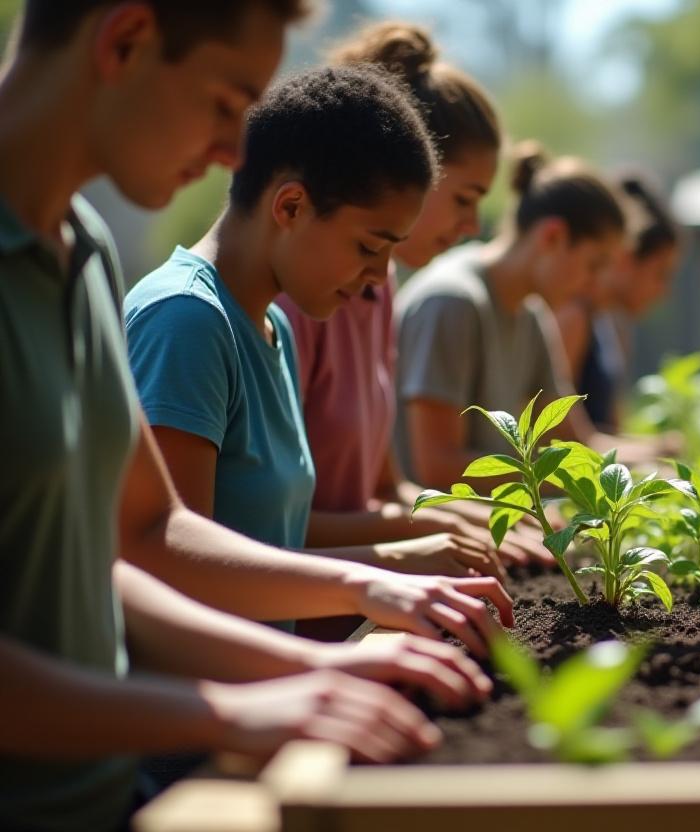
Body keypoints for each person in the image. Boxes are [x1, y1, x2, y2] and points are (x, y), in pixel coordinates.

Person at [0, 3, 504, 829]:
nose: (237, 152)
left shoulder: (80, 250)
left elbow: (144, 537)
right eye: (228, 103)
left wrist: (332, 637)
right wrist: (231, 712)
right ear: (125, 40)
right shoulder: (174, 310)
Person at [275, 23, 548, 578]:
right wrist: (429, 530)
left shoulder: (378, 292)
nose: (473, 227)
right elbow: (267, 523)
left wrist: (462, 516)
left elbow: (387, 489)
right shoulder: (301, 299)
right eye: (465, 199)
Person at [395, 141, 650, 488]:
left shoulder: (530, 315)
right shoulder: (453, 301)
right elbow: (437, 467)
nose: (594, 286)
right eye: (593, 265)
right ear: (553, 237)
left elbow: (576, 443)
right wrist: (575, 480)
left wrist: (655, 468)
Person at [557, 172, 682, 432]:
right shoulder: (573, 317)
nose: (664, 291)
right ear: (627, 258)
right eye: (661, 274)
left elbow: (613, 428)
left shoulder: (611, 325)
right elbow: (552, 434)